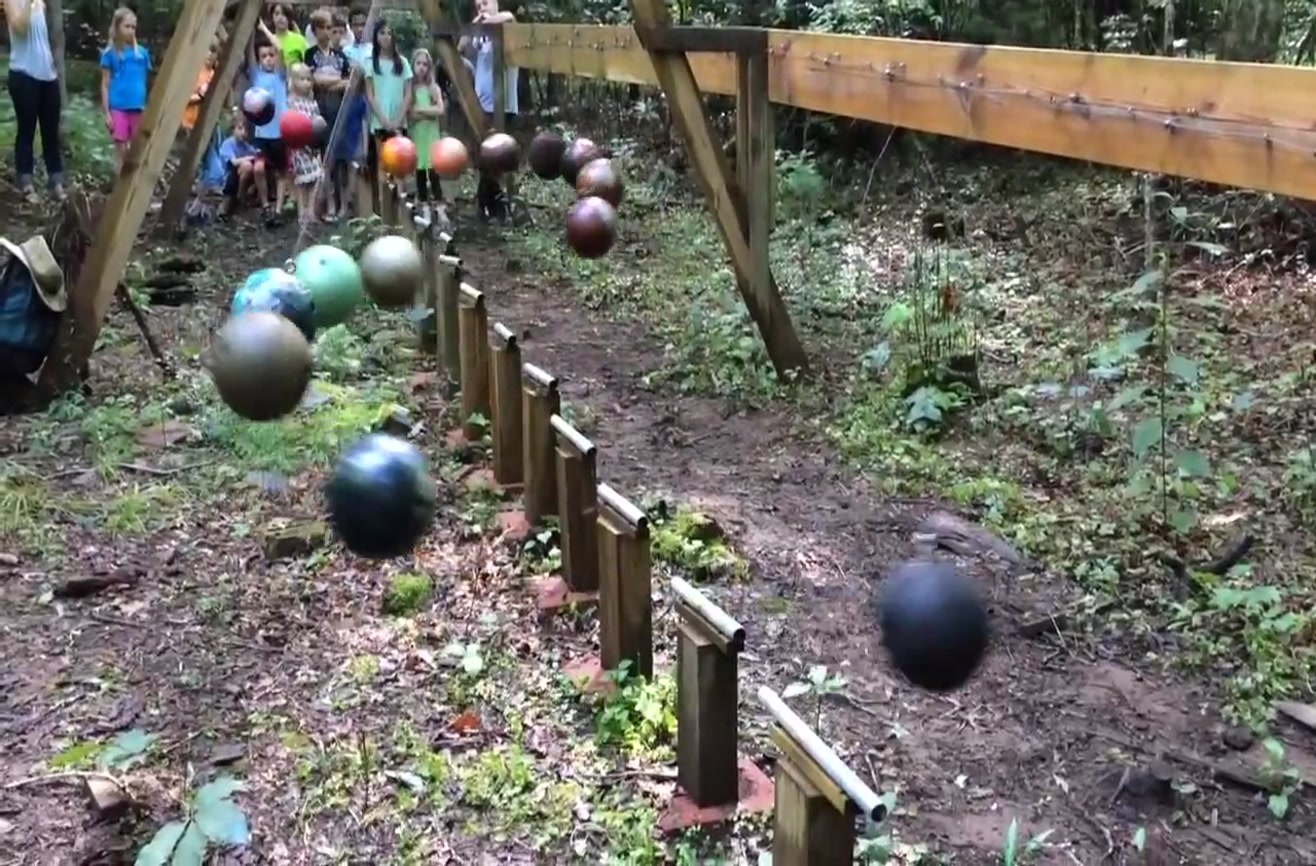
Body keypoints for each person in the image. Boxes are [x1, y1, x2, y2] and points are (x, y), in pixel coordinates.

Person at [459, 0, 519, 221]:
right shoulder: (480, 33)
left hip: (503, 106)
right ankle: (490, 208)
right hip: (481, 105)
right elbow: (460, 46)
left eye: (485, 2)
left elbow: (510, 17)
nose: (481, 8)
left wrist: (488, 20)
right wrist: (474, 26)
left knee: (497, 159)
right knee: (484, 161)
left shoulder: (507, 28)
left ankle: (493, 208)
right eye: (477, 6)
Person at [5, 0, 65, 202]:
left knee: (51, 132)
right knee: (26, 130)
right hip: (23, 73)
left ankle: (56, 182)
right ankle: (26, 182)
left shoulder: (41, 3)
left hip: (47, 75)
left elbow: (43, 39)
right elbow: (19, 28)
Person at [305, 7, 351, 221]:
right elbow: (313, 81)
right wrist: (334, 82)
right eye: (322, 28)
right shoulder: (310, 54)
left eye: (330, 27)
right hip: (319, 110)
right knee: (323, 157)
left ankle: (343, 204)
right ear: (314, 31)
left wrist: (329, 83)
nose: (326, 32)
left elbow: (349, 83)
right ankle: (328, 204)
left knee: (340, 159)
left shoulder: (341, 56)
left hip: (338, 109)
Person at [100, 7, 151, 173]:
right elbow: (105, 84)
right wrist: (107, 112)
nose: (130, 31)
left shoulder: (141, 54)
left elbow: (145, 79)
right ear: (117, 27)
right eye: (126, 26)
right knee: (121, 148)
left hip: (138, 106)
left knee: (137, 148)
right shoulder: (110, 54)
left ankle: (134, 185)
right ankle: (120, 184)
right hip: (118, 107)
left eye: (133, 27)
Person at [363, 22, 411, 187]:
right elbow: (370, 94)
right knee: (383, 162)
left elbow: (408, 94)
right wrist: (383, 120)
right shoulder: (370, 62)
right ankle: (385, 207)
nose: (386, 37)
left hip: (399, 120)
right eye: (382, 33)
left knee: (399, 164)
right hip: (379, 121)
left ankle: (400, 201)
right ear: (376, 36)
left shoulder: (403, 63)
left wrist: (398, 119)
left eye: (389, 33)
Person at [247, 32, 289, 224]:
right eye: (264, 56)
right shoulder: (256, 75)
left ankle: (278, 210)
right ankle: (265, 206)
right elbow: (248, 51)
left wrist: (263, 29)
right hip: (261, 132)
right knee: (258, 169)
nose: (268, 59)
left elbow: (280, 48)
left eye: (271, 55)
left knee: (282, 172)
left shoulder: (280, 75)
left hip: (279, 132)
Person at [408, 49, 446, 223]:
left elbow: (440, 109)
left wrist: (422, 111)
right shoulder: (411, 88)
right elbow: (411, 114)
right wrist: (427, 113)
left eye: (425, 64)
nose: (421, 68)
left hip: (431, 135)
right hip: (418, 135)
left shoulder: (433, 88)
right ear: (413, 65)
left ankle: (440, 207)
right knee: (420, 172)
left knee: (434, 171)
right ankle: (424, 206)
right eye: (418, 64)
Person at [286, 63, 324, 227]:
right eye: (302, 79)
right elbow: (291, 126)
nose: (307, 83)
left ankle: (311, 211)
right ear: (294, 82)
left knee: (316, 177)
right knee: (302, 181)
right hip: (299, 147)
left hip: (313, 146)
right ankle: (302, 213)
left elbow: (317, 124)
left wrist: (315, 143)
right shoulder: (292, 103)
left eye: (309, 79)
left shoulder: (312, 103)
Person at [218, 113, 267, 218]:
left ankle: (244, 196)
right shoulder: (228, 144)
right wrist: (248, 158)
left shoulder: (246, 146)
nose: (243, 133)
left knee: (254, 167)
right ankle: (234, 200)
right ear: (233, 129)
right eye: (240, 129)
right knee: (246, 166)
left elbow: (255, 153)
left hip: (241, 178)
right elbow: (234, 162)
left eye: (245, 130)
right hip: (229, 179)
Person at [183, 42, 218, 135]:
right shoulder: (193, 68)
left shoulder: (213, 75)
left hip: (196, 123)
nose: (209, 54)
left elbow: (203, 95)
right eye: (208, 50)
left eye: (213, 52)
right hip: (180, 119)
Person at [267, 3, 308, 67]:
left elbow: (309, 63)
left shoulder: (299, 39)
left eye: (284, 14)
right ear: (272, 17)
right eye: (277, 14)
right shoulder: (268, 40)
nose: (280, 18)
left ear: (289, 18)